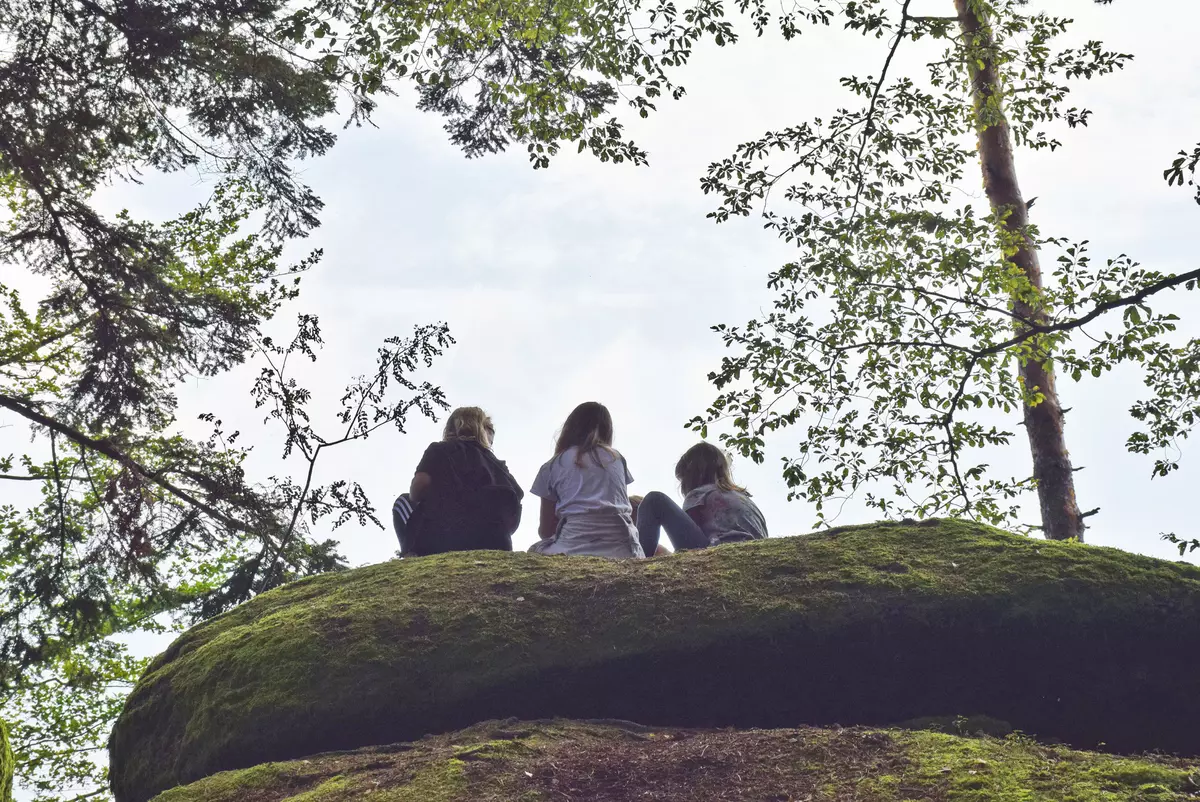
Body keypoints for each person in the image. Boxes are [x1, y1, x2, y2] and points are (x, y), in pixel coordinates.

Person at [392, 407, 523, 556]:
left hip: (441, 539)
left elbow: (418, 489)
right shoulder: (500, 467)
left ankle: (410, 554)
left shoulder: (440, 450)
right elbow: (513, 510)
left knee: (403, 501)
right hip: (496, 542)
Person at [529, 402, 644, 559]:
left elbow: (545, 530)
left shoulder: (551, 466)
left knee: (535, 551)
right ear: (607, 431)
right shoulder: (616, 459)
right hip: (624, 551)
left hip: (571, 549)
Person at [637, 442, 768, 555]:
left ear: (691, 474)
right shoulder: (743, 498)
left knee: (655, 500)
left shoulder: (700, 493)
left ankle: (637, 560)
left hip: (719, 553)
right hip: (757, 552)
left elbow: (685, 544)